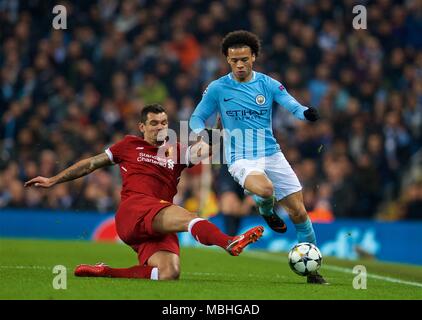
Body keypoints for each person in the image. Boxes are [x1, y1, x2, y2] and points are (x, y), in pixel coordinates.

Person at [24, 104, 264, 280]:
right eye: (154, 123)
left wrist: (220, 130)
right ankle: (229, 242)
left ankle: (106, 271)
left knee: (169, 273)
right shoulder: (128, 145)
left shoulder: (176, 151)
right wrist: (54, 179)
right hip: (134, 210)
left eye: (164, 123)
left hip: (157, 218)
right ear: (142, 127)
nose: (160, 127)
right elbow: (91, 163)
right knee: (190, 217)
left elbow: (205, 149)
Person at [189, 30, 327, 284]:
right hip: (239, 156)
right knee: (264, 190)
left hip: (272, 153)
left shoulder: (268, 84)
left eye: (244, 59)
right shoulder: (218, 88)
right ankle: (266, 210)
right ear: (227, 61)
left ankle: (313, 272)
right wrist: (203, 133)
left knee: (299, 212)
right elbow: (196, 117)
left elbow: (292, 104)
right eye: (234, 60)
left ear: (253, 57)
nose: (239, 64)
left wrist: (306, 113)